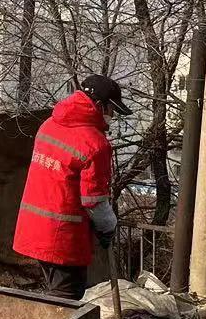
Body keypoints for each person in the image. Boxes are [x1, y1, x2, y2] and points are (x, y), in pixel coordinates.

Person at [12, 75, 130, 300]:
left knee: (54, 292)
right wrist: (108, 226)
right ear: (97, 105)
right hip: (62, 236)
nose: (112, 116)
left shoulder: (50, 124)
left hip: (33, 226)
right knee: (65, 301)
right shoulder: (95, 144)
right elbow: (93, 200)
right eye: (110, 109)